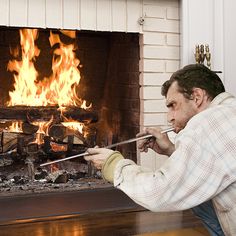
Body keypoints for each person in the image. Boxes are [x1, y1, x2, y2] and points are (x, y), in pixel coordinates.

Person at [85, 64, 236, 236]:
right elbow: (213, 163)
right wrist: (172, 149)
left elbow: (160, 193)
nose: (169, 117)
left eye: (173, 105)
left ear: (197, 97)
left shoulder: (206, 123)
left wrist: (114, 164)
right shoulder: (228, 112)